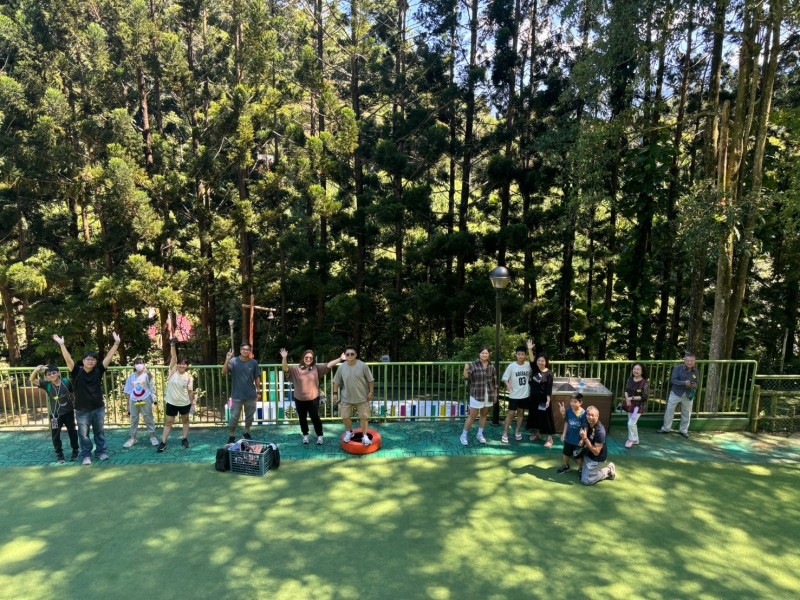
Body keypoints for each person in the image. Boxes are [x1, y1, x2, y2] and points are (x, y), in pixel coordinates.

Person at [53, 332, 121, 465]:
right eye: (88, 359)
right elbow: (68, 359)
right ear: (83, 361)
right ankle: (86, 455)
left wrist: (116, 343)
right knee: (83, 435)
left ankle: (101, 452)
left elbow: (109, 356)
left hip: (98, 408)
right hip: (82, 410)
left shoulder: (99, 370)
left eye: (93, 359)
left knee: (99, 432)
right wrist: (62, 345)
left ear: (96, 362)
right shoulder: (76, 371)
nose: (90, 361)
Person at [281, 348, 346, 445]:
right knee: (302, 418)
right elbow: (285, 368)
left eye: (311, 358)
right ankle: (305, 435)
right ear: (303, 358)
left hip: (313, 399)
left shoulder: (316, 368)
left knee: (315, 417)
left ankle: (320, 436)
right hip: (299, 399)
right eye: (306, 357)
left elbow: (328, 365)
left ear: (313, 359)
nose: (308, 359)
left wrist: (340, 359)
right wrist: (284, 357)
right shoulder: (295, 369)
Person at [30, 364, 79, 463]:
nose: (52, 375)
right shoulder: (46, 384)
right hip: (55, 415)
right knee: (55, 435)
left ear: (58, 373)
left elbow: (73, 393)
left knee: (72, 432)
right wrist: (36, 369)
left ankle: (75, 451)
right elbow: (32, 380)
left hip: (68, 412)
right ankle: (59, 454)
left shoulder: (66, 382)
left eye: (54, 373)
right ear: (46, 377)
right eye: (49, 374)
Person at [332, 346, 375, 446]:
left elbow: (371, 380)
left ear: (356, 355)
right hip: (346, 397)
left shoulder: (363, 366)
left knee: (364, 417)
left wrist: (371, 392)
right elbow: (336, 382)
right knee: (345, 416)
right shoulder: (341, 367)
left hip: (362, 397)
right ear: (345, 355)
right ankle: (350, 432)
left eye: (352, 354)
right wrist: (335, 394)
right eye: (347, 354)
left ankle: (364, 436)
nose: (350, 355)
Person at [158, 338, 196, 452]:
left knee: (185, 421)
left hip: (184, 403)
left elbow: (190, 392)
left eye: (184, 364)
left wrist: (193, 405)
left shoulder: (189, 377)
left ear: (187, 366)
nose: (181, 366)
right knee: (169, 422)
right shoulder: (173, 371)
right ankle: (163, 442)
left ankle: (185, 439)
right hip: (172, 402)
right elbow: (174, 357)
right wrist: (173, 345)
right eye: (180, 364)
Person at [223, 342, 263, 444]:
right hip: (236, 395)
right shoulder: (233, 361)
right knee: (234, 417)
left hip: (250, 395)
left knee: (249, 417)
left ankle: (246, 432)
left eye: (247, 349)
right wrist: (227, 359)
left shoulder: (254, 363)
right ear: (240, 350)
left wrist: (258, 391)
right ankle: (232, 435)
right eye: (243, 349)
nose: (245, 351)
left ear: (250, 351)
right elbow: (224, 372)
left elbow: (257, 377)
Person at [461, 347, 498, 446]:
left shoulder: (491, 366)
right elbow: (466, 377)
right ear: (479, 354)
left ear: (489, 354)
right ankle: (463, 435)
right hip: (476, 393)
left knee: (484, 414)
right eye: (482, 353)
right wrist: (465, 369)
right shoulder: (474, 365)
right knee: (472, 415)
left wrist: (495, 395)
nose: (484, 355)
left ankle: (480, 434)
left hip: (488, 393)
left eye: (486, 353)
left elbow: (495, 382)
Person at [657, 353, 699, 438]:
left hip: (688, 394)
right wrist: (684, 383)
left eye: (691, 361)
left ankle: (684, 430)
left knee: (687, 413)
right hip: (676, 393)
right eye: (688, 360)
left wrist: (694, 385)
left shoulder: (696, 371)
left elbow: (697, 383)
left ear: (694, 362)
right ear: (684, 360)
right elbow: (673, 380)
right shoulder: (678, 368)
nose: (689, 362)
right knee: (669, 410)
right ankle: (666, 428)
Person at [500, 341, 534, 444]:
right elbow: (504, 378)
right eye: (518, 354)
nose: (520, 356)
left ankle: (518, 431)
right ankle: (505, 433)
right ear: (516, 355)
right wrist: (507, 384)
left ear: (525, 355)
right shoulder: (511, 366)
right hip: (514, 394)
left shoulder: (528, 365)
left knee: (521, 413)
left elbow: (533, 361)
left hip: (524, 394)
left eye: (522, 354)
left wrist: (530, 349)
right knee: (511, 413)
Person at [122, 357, 158, 448]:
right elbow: (128, 391)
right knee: (134, 419)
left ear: (144, 364)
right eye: (137, 363)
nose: (139, 365)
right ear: (134, 365)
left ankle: (153, 437)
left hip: (146, 398)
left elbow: (151, 383)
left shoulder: (147, 375)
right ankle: (133, 438)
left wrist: (147, 372)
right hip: (133, 399)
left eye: (141, 363)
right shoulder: (131, 376)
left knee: (148, 417)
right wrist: (128, 405)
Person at [580, 405, 616, 485]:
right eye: (588, 414)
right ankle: (586, 469)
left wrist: (585, 439)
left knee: (586, 481)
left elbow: (596, 452)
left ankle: (608, 470)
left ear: (597, 416)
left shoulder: (600, 431)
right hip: (588, 453)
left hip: (597, 458)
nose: (590, 417)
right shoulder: (586, 422)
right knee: (572, 451)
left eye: (592, 415)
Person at [527, 353, 555, 448]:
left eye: (542, 360)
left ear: (546, 362)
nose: (540, 362)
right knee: (535, 416)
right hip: (534, 399)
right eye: (538, 360)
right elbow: (531, 360)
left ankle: (550, 439)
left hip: (543, 400)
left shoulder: (549, 373)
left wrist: (548, 400)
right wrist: (530, 349)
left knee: (546, 418)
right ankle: (537, 434)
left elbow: (549, 388)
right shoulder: (535, 369)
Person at [557, 393, 587, 474]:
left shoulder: (584, 413)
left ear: (580, 402)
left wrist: (583, 439)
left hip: (578, 440)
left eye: (575, 402)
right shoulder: (569, 411)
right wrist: (564, 434)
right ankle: (566, 466)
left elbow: (585, 427)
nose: (572, 403)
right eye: (571, 401)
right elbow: (566, 422)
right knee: (565, 453)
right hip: (568, 438)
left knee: (578, 456)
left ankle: (581, 469)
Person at [623, 364, 649, 448]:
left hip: (638, 406)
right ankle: (635, 439)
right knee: (632, 423)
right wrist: (627, 399)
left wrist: (631, 398)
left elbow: (644, 397)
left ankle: (632, 440)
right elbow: (626, 390)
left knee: (631, 423)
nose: (635, 371)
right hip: (630, 405)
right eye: (634, 369)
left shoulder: (645, 382)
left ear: (642, 371)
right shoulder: (630, 379)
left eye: (638, 369)